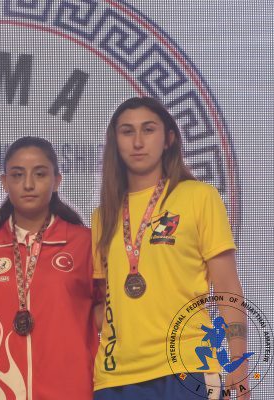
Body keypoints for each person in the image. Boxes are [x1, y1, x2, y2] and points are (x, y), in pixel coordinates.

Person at [92, 97, 249, 399]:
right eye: (127, 131)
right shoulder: (103, 216)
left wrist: (238, 365)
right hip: (116, 378)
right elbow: (103, 305)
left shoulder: (199, 197)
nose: (138, 142)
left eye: (148, 129)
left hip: (188, 365)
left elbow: (228, 287)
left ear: (169, 139)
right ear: (115, 142)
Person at [0, 136, 102, 399]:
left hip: (70, 389)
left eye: (40, 174)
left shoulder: (85, 243)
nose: (28, 184)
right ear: (4, 182)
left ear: (57, 181)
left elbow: (105, 312)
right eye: (17, 175)